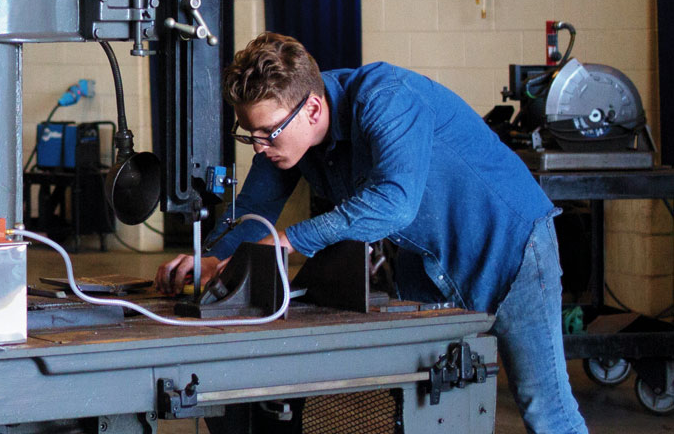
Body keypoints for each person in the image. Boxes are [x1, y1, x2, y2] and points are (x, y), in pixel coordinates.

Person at [155, 32, 588, 434]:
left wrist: (287, 242)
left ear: (313, 109)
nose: (260, 146)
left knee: (543, 408)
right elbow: (252, 210)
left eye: (269, 133)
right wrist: (212, 256)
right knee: (426, 405)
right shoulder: (288, 138)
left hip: (509, 247)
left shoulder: (387, 99)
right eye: (252, 135)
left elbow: (395, 203)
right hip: (426, 259)